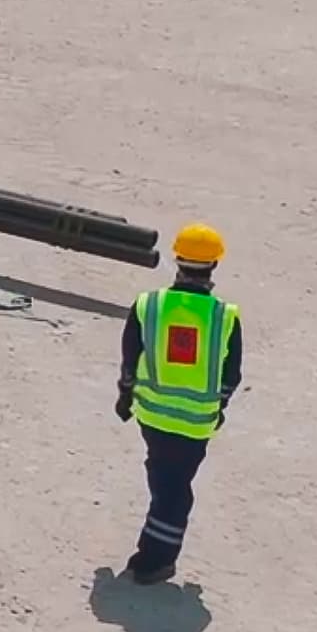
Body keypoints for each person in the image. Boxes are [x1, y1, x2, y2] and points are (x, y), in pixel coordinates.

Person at [117, 222, 245, 583]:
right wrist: (217, 407)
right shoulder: (224, 316)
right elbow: (231, 376)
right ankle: (153, 561)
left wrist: (125, 394)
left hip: (151, 416)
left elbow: (130, 358)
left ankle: (151, 554)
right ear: (214, 265)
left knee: (163, 479)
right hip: (195, 424)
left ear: (177, 259)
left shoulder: (149, 305)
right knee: (174, 490)